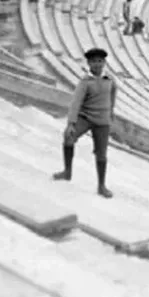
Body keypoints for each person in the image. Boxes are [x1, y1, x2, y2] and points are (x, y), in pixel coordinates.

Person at [53, 48, 117, 198]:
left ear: (104, 62)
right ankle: (67, 171)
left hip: (102, 121)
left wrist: (111, 110)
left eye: (100, 61)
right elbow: (76, 103)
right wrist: (71, 123)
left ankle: (101, 186)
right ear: (89, 63)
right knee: (68, 137)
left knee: (101, 154)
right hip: (86, 117)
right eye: (94, 61)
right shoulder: (85, 82)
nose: (97, 64)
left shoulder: (110, 79)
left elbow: (114, 92)